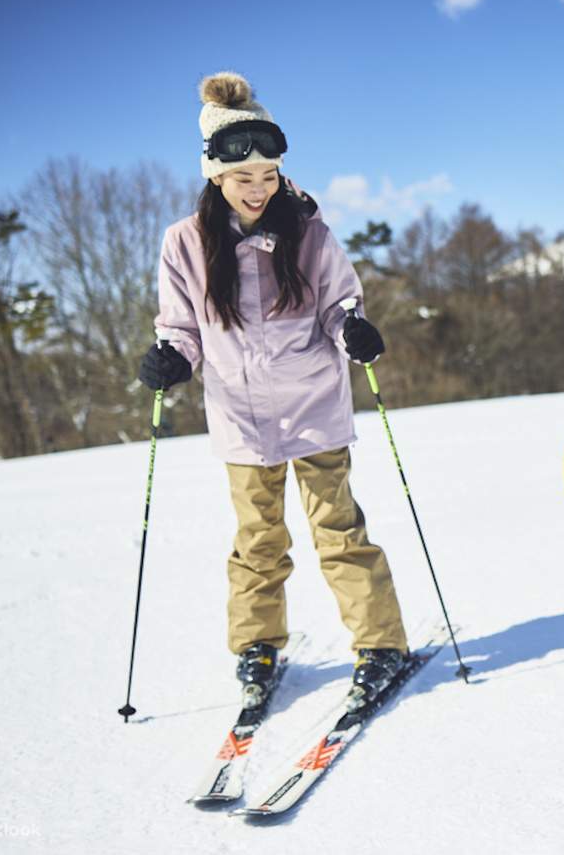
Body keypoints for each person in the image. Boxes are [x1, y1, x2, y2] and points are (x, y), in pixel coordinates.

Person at [136, 72, 408, 710]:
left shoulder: (309, 231)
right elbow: (180, 326)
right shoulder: (184, 242)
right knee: (257, 540)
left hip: (314, 405)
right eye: (243, 178)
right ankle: (257, 644)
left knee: (338, 531)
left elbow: (340, 302)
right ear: (215, 176)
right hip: (240, 417)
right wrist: (172, 357)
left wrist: (353, 329)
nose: (257, 189)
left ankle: (381, 644)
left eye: (267, 175)